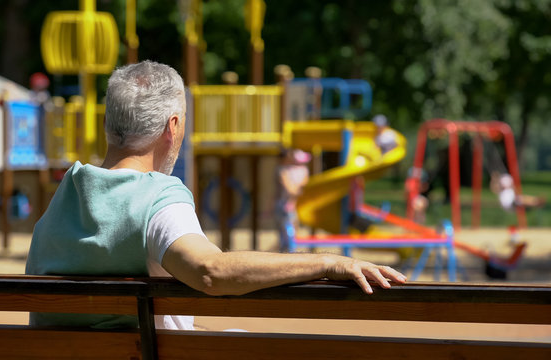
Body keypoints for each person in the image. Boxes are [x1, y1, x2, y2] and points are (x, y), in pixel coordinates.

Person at [25, 61, 406, 331]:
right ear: (172, 128)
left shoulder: (66, 192)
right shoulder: (158, 196)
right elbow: (211, 272)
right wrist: (326, 263)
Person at [275, 148, 311, 252]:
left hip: (286, 203)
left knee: (290, 226)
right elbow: (290, 189)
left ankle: (288, 247)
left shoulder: (289, 170)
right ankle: (290, 248)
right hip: (284, 204)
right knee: (288, 226)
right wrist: (297, 190)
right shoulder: (283, 170)